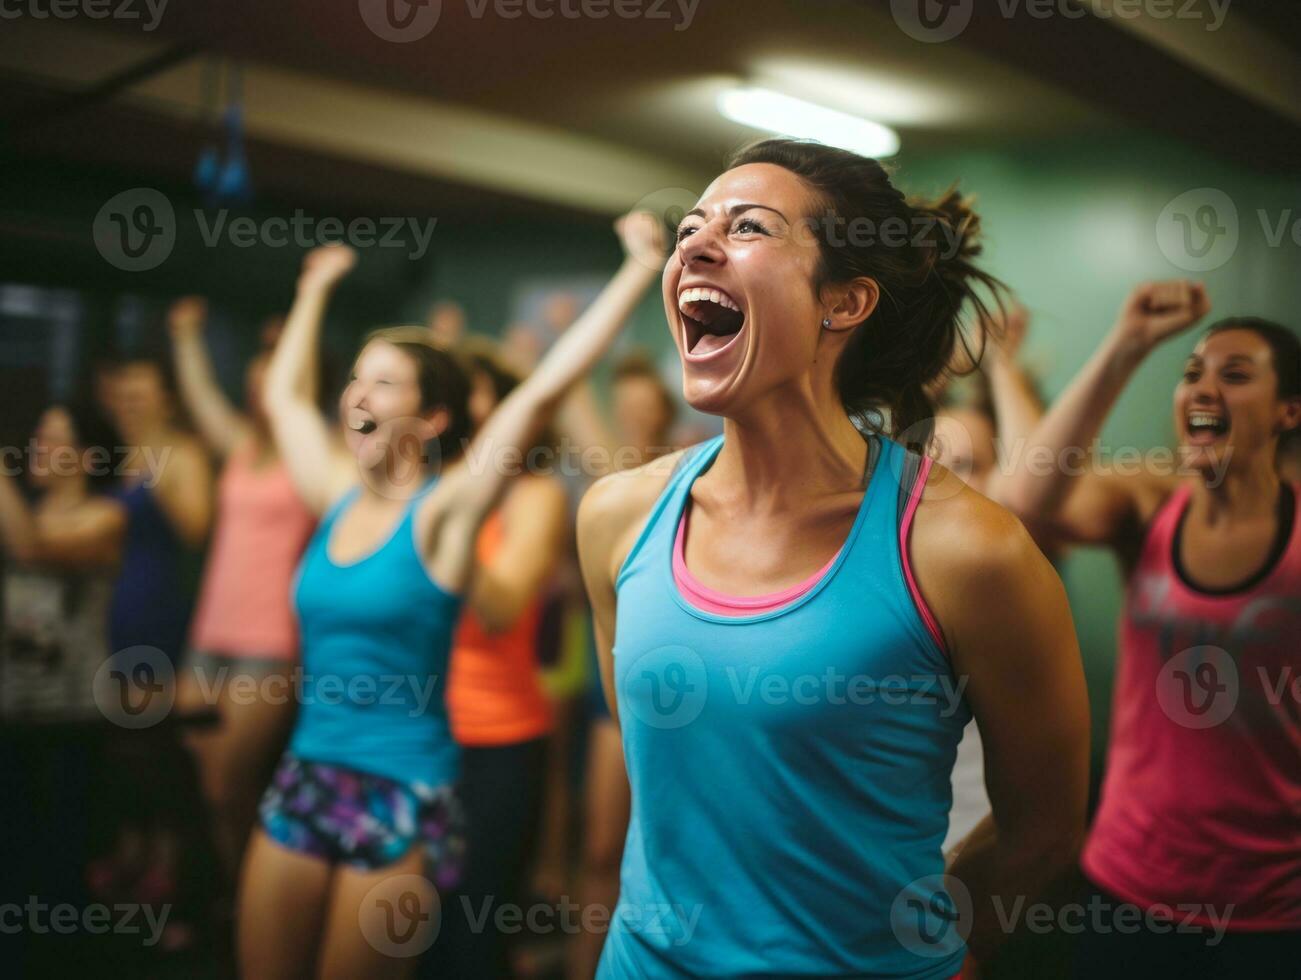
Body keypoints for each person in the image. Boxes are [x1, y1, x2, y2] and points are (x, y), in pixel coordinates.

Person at [577, 138, 1089, 979]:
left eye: (748, 228)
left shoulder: (965, 551)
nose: (695, 245)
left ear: (843, 301)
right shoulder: (617, 517)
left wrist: (919, 949)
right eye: (690, 228)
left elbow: (1043, 833)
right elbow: (656, 776)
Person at [238, 212, 665, 980]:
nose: (358, 394)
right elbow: (285, 400)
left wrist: (636, 270)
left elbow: (541, 390)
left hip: (402, 794)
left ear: (432, 418)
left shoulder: (441, 514)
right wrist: (313, 289)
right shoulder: (333, 492)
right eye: (356, 378)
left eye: (385, 382)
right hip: (306, 778)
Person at [997, 284, 1301, 979]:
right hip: (1130, 880)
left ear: (1288, 411)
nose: (1202, 387)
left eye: (1234, 374)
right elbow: (1029, 495)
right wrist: (1128, 344)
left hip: (1271, 906)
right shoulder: (1149, 500)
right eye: (1191, 372)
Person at [168, 297, 317, 892]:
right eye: (254, 383)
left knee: (230, 784)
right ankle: (219, 899)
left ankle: (247, 900)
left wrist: (296, 335)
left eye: (272, 382)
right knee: (191, 780)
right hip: (209, 635)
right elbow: (203, 396)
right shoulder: (239, 448)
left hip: (269, 641)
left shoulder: (314, 456)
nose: (261, 393)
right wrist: (185, 336)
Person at [441, 340, 569, 978]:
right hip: (412, 738)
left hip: (495, 737)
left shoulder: (534, 495)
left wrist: (453, 523)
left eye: (478, 393)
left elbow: (501, 607)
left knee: (472, 933)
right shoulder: (421, 485)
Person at [563, 353, 679, 980]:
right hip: (600, 682)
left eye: (644, 408)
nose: (633, 418)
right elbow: (582, 422)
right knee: (601, 845)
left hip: (666, 695)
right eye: (623, 408)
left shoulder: (683, 471)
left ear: (663, 412)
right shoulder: (612, 488)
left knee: (654, 848)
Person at [100, 351, 213, 666]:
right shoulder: (119, 455)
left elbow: (197, 530)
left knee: (143, 711)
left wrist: (156, 475)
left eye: (137, 398)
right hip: (114, 600)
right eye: (122, 398)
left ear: (166, 401)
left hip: (160, 601)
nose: (127, 407)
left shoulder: (185, 454)